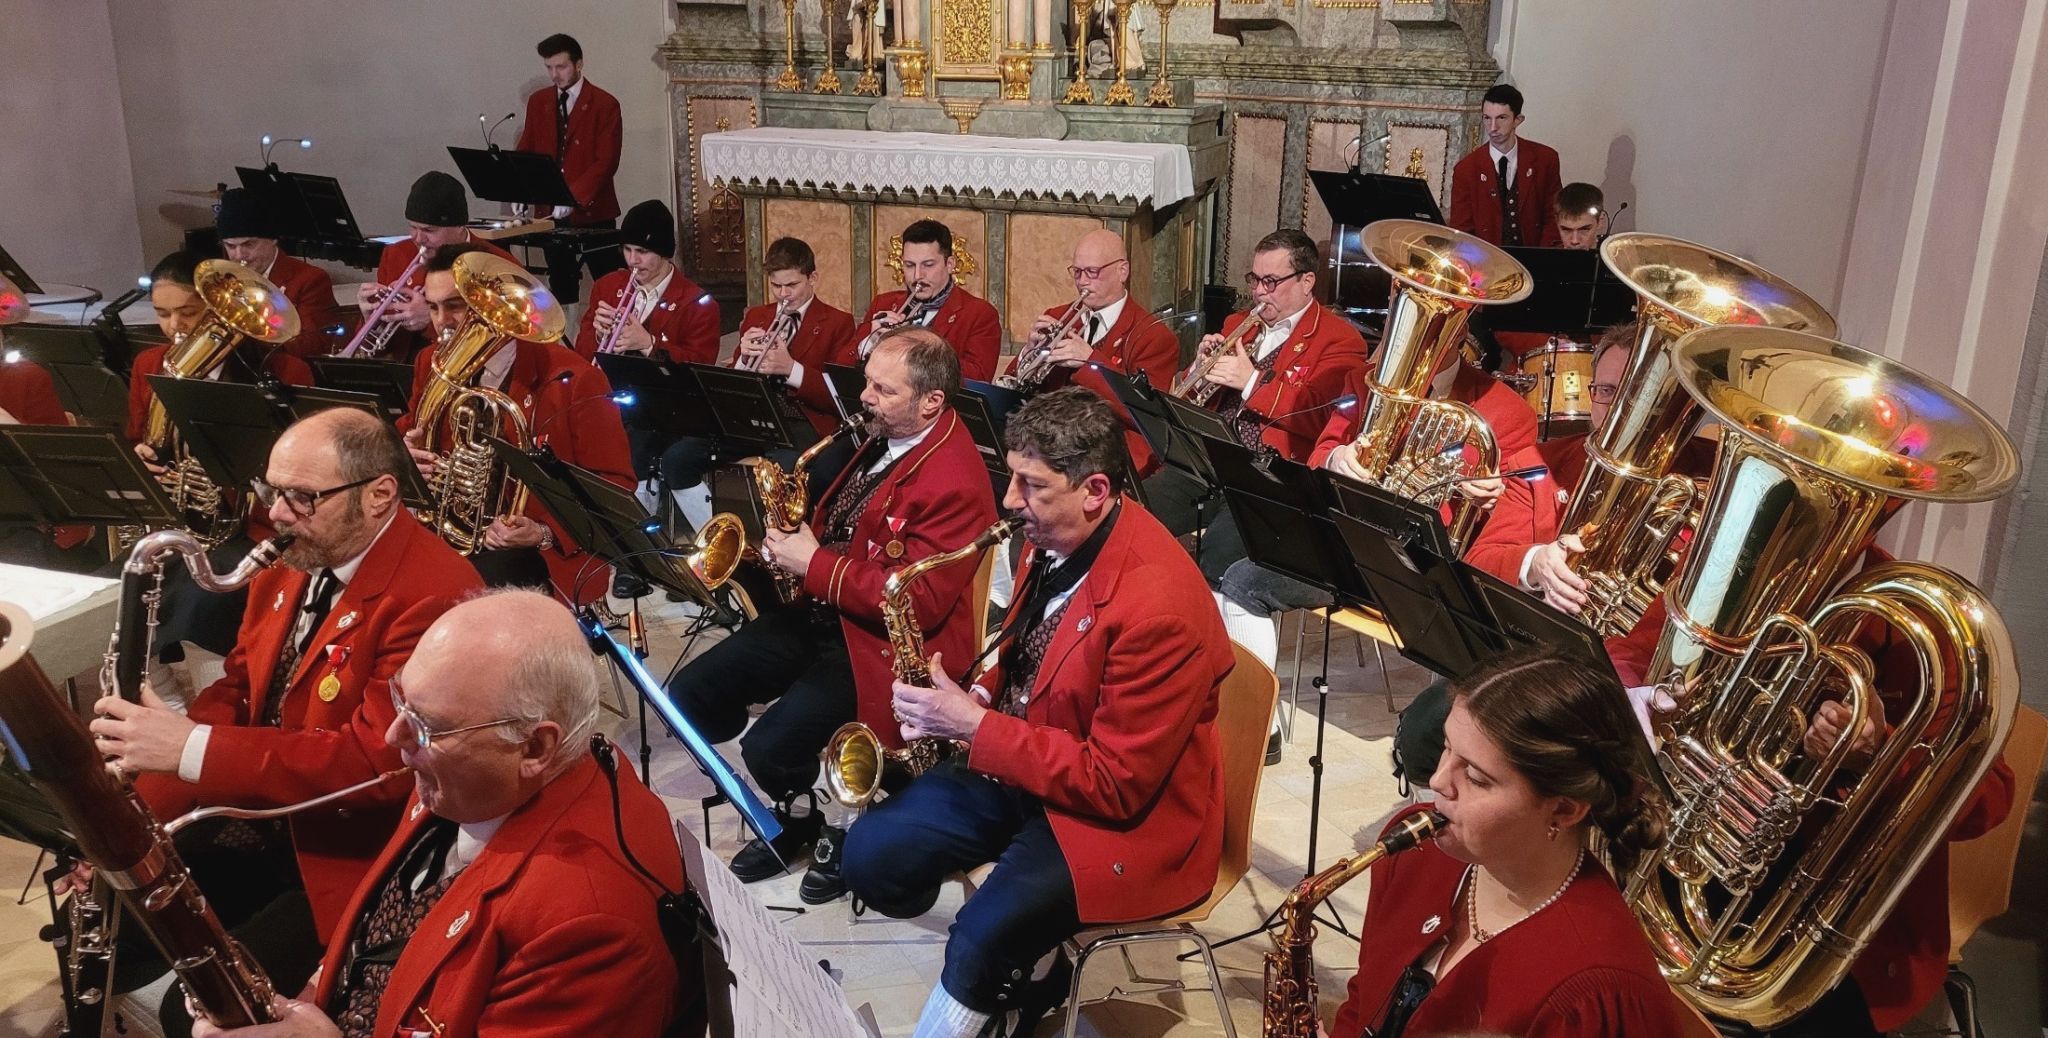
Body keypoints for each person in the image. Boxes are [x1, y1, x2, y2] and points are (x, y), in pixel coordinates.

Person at [842, 387, 1232, 1038]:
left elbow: (1115, 783)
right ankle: (1033, 969)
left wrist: (974, 727)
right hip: (1032, 762)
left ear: (1095, 490)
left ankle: (1010, 972)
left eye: (1031, 485)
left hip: (1120, 818)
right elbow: (1026, 646)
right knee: (871, 856)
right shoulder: (1052, 531)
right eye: (1012, 477)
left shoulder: (1158, 608)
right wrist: (979, 695)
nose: (1008, 500)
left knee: (980, 940)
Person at [88, 407, 482, 1036]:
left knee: (212, 1014)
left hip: (347, 850)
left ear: (380, 495)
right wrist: (133, 814)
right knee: (116, 907)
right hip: (259, 814)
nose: (275, 513)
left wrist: (191, 748)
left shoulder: (434, 592)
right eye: (270, 490)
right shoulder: (289, 557)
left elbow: (375, 769)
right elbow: (240, 688)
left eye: (302, 497)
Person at [189, 589, 690, 1038]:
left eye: (427, 724)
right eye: (401, 700)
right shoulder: (475, 777)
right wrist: (314, 992)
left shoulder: (589, 926)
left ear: (535, 747)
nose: (395, 736)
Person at [663, 327, 995, 903]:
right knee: (691, 694)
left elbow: (918, 602)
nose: (865, 397)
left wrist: (813, 563)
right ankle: (803, 804)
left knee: (770, 747)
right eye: (868, 383)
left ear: (931, 402)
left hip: (884, 645)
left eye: (883, 390)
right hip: (826, 612)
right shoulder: (883, 433)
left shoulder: (956, 479)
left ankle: (831, 816)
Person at [1210, 315, 1539, 763]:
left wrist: (1489, 499)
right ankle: (1257, 730)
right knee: (1241, 579)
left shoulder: (1505, 409)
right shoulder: (1363, 383)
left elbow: (1516, 518)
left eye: (1436, 326)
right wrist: (1336, 458)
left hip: (1423, 567)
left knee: (1457, 635)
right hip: (1350, 545)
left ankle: (1434, 746)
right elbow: (1322, 451)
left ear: (1461, 331)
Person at [1328, 649, 1685, 1037]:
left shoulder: (1595, 994)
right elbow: (1364, 1001)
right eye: (1446, 747)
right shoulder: (1413, 853)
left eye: (1476, 778)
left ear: (1563, 810)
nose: (1437, 781)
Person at [401, 243, 634, 604]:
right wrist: (405, 459)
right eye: (432, 307)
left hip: (535, 552)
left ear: (496, 305)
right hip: (448, 529)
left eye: (455, 306)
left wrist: (543, 531)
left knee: (462, 596)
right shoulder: (430, 362)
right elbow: (409, 431)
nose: (441, 322)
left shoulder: (575, 379)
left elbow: (615, 485)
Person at [126, 251, 316, 689]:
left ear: (219, 309)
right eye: (162, 314)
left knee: (204, 598)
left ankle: (212, 705)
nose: (175, 327)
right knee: (125, 588)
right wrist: (142, 458)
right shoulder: (149, 365)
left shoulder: (281, 370)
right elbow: (137, 438)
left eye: (188, 312)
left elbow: (305, 469)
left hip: (255, 527)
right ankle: (164, 701)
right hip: (182, 524)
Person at [1141, 228, 1368, 578]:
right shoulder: (1238, 323)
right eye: (1255, 279)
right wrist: (1199, 370)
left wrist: (1250, 381)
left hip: (1268, 480)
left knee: (1216, 559)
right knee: (1135, 510)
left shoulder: (1339, 340)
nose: (1259, 292)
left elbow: (1321, 416)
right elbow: (1188, 397)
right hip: (1208, 461)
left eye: (1271, 281)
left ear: (1307, 281)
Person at [661, 236, 856, 540]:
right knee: (677, 459)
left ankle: (776, 545)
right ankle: (719, 539)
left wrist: (790, 369)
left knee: (783, 471)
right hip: (751, 415)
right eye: (776, 286)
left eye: (791, 285)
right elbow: (733, 381)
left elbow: (836, 395)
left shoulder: (838, 322)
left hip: (799, 420)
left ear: (813, 278)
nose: (783, 295)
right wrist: (743, 359)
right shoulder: (758, 316)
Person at [1007, 228, 1180, 477]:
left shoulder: (1154, 336)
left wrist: (1089, 361)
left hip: (1104, 450)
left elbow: (1146, 414)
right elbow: (1015, 384)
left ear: (1122, 271)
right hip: (1047, 440)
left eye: (1092, 272)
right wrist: (1029, 351)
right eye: (1077, 272)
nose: (1082, 282)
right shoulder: (1057, 315)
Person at [354, 172, 518, 362]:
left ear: (459, 226)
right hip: (402, 364)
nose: (418, 239)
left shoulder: (498, 264)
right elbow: (377, 348)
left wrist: (429, 319)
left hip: (463, 366)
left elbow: (503, 341)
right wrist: (372, 321)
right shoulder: (396, 254)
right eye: (413, 227)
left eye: (429, 230)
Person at [516, 32, 626, 303]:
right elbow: (527, 152)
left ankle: (616, 328)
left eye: (561, 67)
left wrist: (572, 197)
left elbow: (606, 161)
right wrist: (520, 190)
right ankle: (566, 328)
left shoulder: (605, 104)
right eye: (549, 68)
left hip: (594, 212)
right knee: (561, 283)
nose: (555, 75)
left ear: (579, 64)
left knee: (609, 282)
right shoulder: (539, 101)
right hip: (550, 212)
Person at [845, 219, 1003, 381]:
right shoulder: (883, 303)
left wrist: (912, 348)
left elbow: (978, 377)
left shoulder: (979, 313)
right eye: (909, 265)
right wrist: (870, 340)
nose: (917, 276)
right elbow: (842, 368)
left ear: (950, 264)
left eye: (928, 265)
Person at [573, 199, 719, 365]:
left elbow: (701, 366)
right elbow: (580, 356)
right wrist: (599, 336)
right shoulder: (606, 286)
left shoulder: (698, 305)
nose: (632, 260)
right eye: (627, 249)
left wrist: (649, 344)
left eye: (642, 251)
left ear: (664, 253)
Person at [214, 188, 340, 358]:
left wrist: (247, 342)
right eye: (230, 246)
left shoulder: (310, 279)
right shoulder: (223, 279)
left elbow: (313, 344)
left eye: (249, 244)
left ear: (273, 239)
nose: (239, 256)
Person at [1448, 84, 1563, 249]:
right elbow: (1461, 229)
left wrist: (1542, 258)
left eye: (1501, 118)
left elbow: (1553, 217)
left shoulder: (1545, 159)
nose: (1493, 127)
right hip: (1486, 260)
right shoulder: (1466, 169)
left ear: (1518, 120)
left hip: (1535, 258)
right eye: (1487, 118)